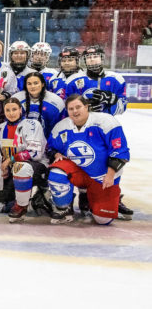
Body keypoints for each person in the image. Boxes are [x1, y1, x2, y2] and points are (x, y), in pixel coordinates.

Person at [47, 95, 129, 225]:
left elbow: (120, 152)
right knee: (57, 172)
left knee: (103, 220)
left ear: (86, 107)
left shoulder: (106, 122)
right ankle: (63, 207)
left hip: (103, 177)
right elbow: (50, 148)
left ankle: (99, 199)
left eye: (78, 107)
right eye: (71, 108)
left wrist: (110, 175)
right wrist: (56, 154)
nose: (75, 111)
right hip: (79, 172)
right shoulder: (61, 127)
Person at [0, 98, 50, 222]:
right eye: (7, 110)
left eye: (14, 109)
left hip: (36, 166)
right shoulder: (0, 128)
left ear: (20, 110)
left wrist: (11, 160)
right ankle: (33, 203)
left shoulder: (32, 125)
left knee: (21, 167)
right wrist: (5, 169)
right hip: (14, 170)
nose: (11, 113)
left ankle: (24, 205)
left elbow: (35, 154)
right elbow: (1, 153)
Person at [66, 46, 127, 116]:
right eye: (88, 57)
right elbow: (66, 106)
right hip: (80, 125)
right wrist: (83, 111)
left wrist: (111, 101)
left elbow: (123, 106)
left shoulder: (116, 79)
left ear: (102, 58)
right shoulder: (73, 80)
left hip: (106, 123)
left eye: (95, 57)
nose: (92, 59)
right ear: (85, 60)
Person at [12, 72, 65, 137]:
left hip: (46, 143)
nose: (32, 86)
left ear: (42, 84)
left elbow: (59, 126)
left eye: (36, 83)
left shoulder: (57, 101)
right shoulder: (16, 99)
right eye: (29, 84)